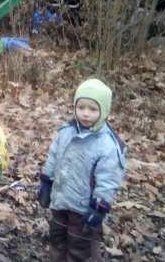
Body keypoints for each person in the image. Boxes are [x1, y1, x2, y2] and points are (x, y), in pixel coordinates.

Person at [38, 78, 126, 261]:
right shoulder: (66, 132)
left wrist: (99, 208)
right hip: (60, 200)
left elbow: (108, 179)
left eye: (93, 109)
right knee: (57, 239)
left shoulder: (108, 145)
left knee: (80, 247)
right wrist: (46, 181)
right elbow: (53, 156)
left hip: (84, 209)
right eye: (81, 107)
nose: (86, 114)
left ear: (104, 111)